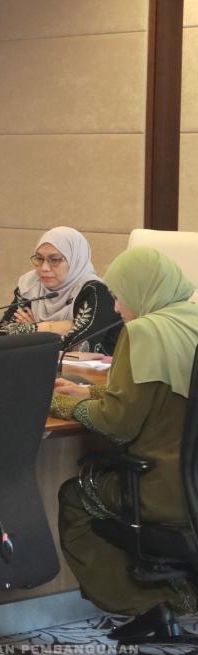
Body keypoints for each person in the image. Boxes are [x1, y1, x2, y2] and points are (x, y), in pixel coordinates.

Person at [53, 247, 198, 631]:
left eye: (120, 296)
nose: (116, 308)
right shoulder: (191, 321)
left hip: (163, 490)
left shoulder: (144, 331)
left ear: (141, 289)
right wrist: (89, 391)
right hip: (193, 488)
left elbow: (116, 424)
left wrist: (58, 403)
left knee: (76, 498)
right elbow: (165, 395)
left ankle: (155, 605)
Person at [0, 227, 118, 353]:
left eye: (54, 260)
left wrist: (32, 330)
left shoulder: (96, 291)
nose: (44, 268)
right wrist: (47, 328)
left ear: (75, 259)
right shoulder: (30, 285)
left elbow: (78, 346)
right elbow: (0, 333)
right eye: (39, 258)